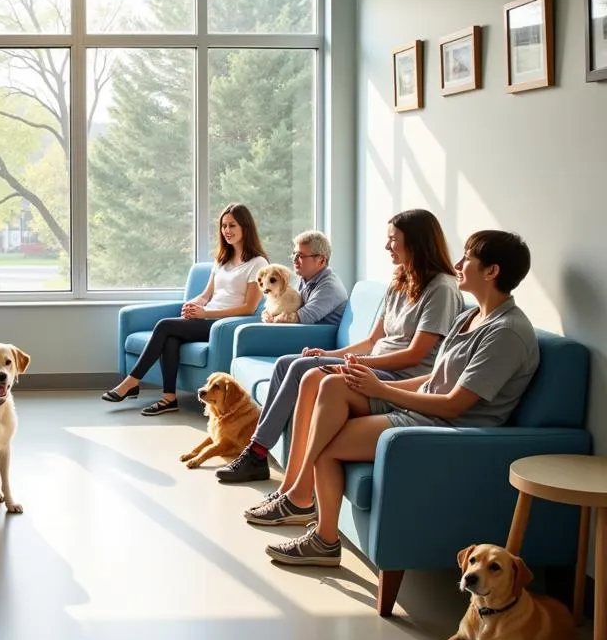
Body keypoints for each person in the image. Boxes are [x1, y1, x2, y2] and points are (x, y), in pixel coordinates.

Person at [257, 230, 539, 568]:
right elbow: (435, 379)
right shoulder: (470, 316)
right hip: (422, 405)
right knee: (331, 384)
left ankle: (323, 538)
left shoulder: (505, 332)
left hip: (445, 426)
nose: (459, 264)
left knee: (328, 446)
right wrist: (371, 381)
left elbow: (454, 404)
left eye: (468, 258)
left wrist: (383, 390)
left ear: (491, 271)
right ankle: (301, 498)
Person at [219, 208, 462, 486]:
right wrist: (330, 355)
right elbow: (372, 341)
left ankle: (257, 454)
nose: (386, 246)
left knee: (299, 367)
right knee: (288, 361)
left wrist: (357, 364)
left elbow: (414, 355)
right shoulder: (399, 281)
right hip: (372, 366)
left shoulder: (441, 288)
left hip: (400, 378)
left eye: (393, 239)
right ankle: (258, 451)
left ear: (417, 242)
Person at [101, 203, 269, 417]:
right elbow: (207, 295)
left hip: (220, 324)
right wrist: (193, 304)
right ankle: (168, 398)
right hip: (205, 317)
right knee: (171, 338)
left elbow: (249, 308)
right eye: (223, 226)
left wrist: (205, 314)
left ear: (245, 227)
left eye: (232, 225)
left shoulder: (257, 263)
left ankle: (131, 382)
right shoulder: (222, 260)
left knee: (164, 326)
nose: (226, 230)